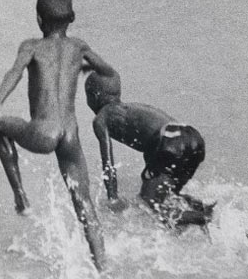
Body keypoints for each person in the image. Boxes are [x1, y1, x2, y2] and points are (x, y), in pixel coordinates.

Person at [0, 0, 118, 271]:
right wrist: (82, 69)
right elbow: (109, 72)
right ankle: (102, 266)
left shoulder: (31, 46)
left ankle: (21, 197)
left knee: (1, 127)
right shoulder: (79, 48)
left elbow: (14, 73)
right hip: (70, 136)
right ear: (71, 19)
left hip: (42, 133)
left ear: (38, 19)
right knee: (83, 202)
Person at [84, 70, 214, 227]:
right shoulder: (132, 109)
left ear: (94, 95)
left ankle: (203, 217)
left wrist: (113, 198)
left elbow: (108, 162)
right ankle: (201, 208)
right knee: (168, 199)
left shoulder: (102, 118)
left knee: (148, 204)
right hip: (191, 138)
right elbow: (153, 142)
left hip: (171, 141)